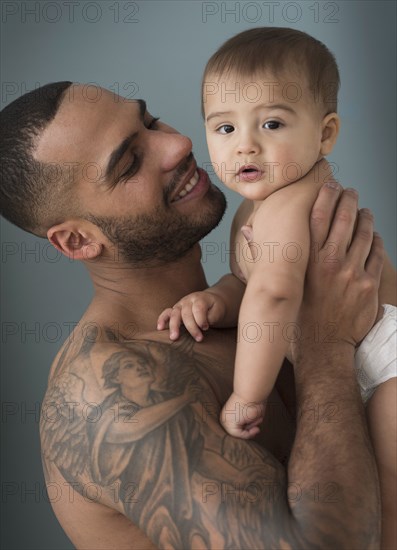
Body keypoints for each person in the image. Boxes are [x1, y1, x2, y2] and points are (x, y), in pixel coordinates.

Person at [0, 81, 392, 549]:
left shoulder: (254, 300)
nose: (178, 144)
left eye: (148, 121)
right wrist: (326, 343)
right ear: (79, 242)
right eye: (129, 164)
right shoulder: (109, 396)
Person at [157, 29, 397, 547]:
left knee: (392, 492)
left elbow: (276, 297)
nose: (244, 143)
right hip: (360, 355)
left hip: (389, 361)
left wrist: (248, 394)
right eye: (223, 127)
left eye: (271, 123)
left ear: (325, 133)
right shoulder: (262, 200)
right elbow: (254, 284)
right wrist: (219, 298)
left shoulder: (287, 205)